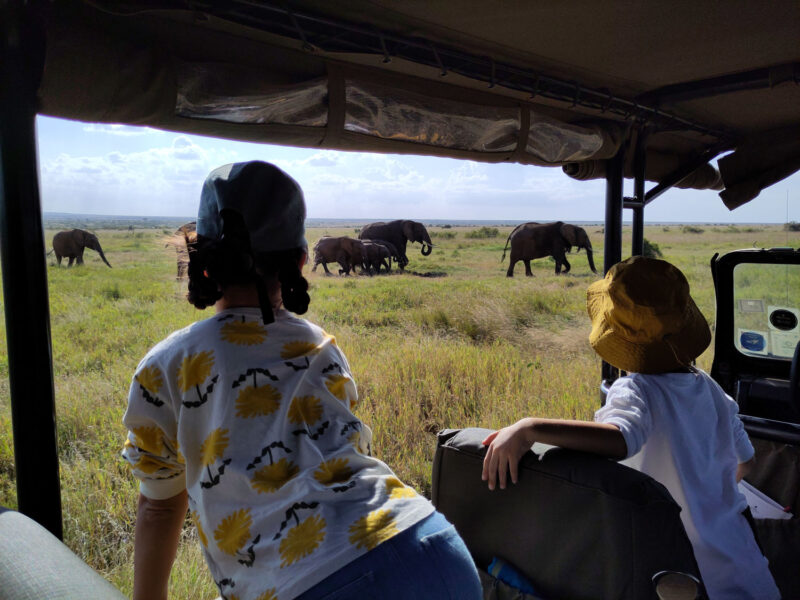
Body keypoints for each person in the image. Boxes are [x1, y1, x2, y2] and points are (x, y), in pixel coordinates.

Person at [122, 161, 482, 600]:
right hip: (429, 544)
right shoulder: (320, 345)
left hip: (312, 581)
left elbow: (159, 510)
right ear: (302, 261)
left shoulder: (165, 365)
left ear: (199, 262)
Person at [481, 256, 780, 600]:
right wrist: (705, 493)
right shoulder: (711, 389)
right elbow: (746, 462)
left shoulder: (636, 389)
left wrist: (528, 428)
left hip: (688, 582)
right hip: (749, 571)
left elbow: (621, 439)